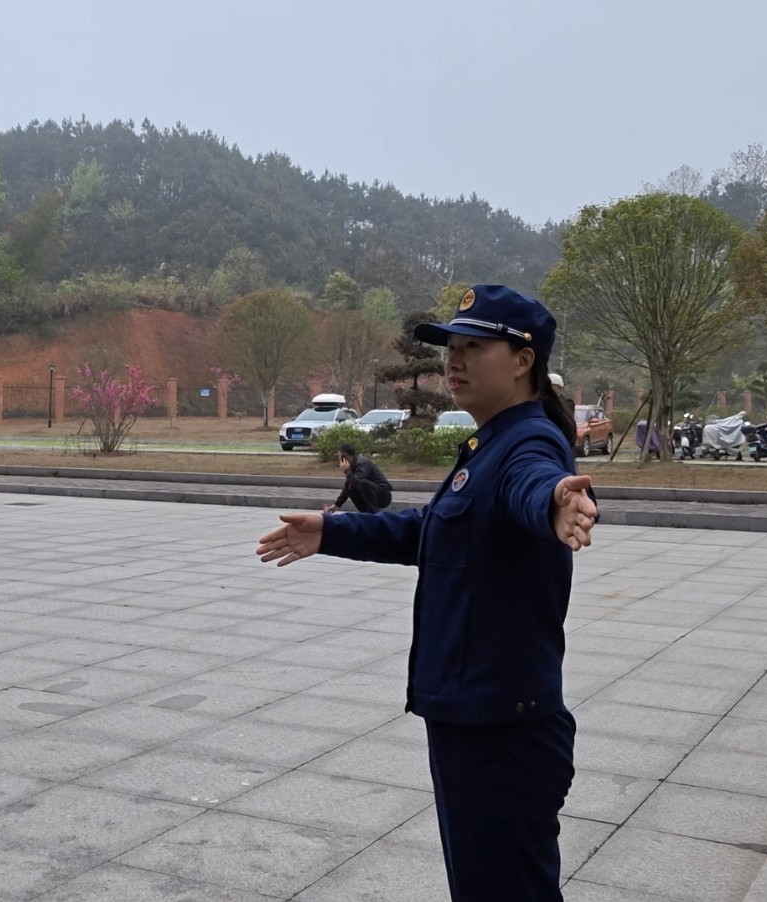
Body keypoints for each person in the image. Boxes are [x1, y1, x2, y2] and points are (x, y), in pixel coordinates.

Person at [255, 284, 596, 902]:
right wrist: (332, 531)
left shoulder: (528, 442)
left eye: (474, 347)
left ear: (523, 360)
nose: (454, 361)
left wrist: (553, 503)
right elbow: (435, 531)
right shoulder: (488, 443)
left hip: (502, 729)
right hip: (472, 715)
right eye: (450, 348)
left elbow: (534, 483)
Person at [324, 444, 393, 514]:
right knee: (349, 485)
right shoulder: (352, 465)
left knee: (362, 483)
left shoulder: (362, 463)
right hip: (373, 494)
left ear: (345, 456)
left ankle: (374, 514)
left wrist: (347, 471)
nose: (339, 460)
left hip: (383, 496)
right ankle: (365, 513)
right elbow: (348, 486)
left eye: (340, 457)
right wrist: (336, 505)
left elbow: (358, 482)